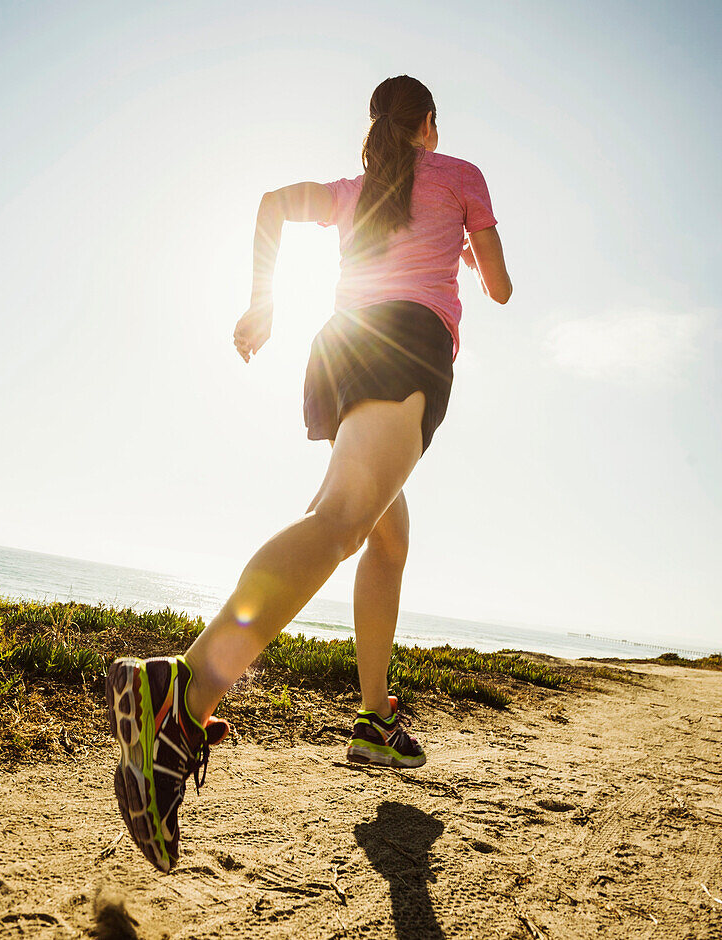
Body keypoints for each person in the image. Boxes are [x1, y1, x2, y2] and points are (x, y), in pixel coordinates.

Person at [106, 74, 512, 873]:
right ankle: (182, 698)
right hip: (408, 346)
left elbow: (269, 202)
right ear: (428, 124)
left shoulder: (354, 189)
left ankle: (372, 720)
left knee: (385, 536)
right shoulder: (461, 176)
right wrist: (470, 243)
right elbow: (499, 289)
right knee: (341, 523)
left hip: (342, 346)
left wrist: (263, 302)